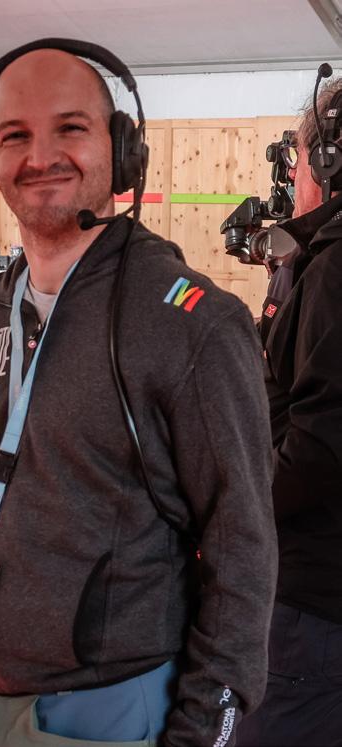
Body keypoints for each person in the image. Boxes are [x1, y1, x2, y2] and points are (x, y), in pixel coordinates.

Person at [0, 40, 277, 747]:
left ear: (121, 151)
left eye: (70, 127)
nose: (41, 155)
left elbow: (242, 545)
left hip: (115, 707)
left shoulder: (192, 325)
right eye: (16, 135)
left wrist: (204, 730)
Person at [236, 73, 342, 746]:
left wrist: (234, 507)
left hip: (312, 601)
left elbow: (320, 445)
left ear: (328, 161)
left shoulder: (333, 267)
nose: (292, 176)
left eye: (298, 159)